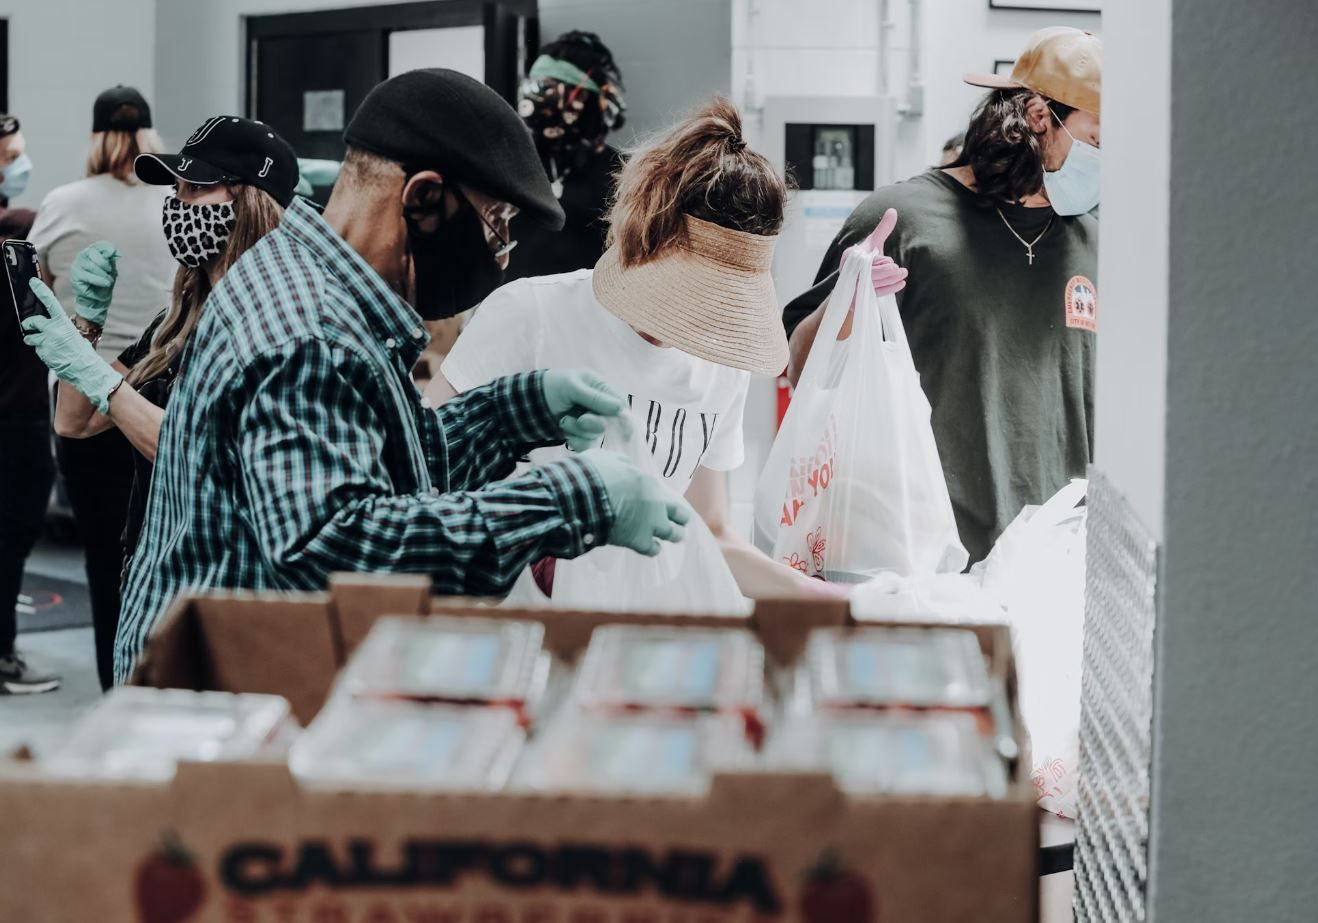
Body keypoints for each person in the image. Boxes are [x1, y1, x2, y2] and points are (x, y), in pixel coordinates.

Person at [113, 70, 689, 683]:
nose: (503, 252)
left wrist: (515, 411)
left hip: (239, 671)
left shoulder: (314, 280)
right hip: (218, 707)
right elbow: (343, 553)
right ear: (424, 200)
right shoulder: (312, 332)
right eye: (497, 223)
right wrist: (570, 500)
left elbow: (384, 469)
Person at [426, 97, 841, 601]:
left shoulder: (720, 369)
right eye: (688, 291)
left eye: (717, 301)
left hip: (636, 639)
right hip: (512, 631)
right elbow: (425, 475)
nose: (690, 320)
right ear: (644, 241)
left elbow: (709, 534)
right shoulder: (529, 316)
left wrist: (830, 600)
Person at [784, 27, 1101, 563]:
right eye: (1099, 139)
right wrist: (851, 304)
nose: (1107, 160)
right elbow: (800, 369)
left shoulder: (1095, 242)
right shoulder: (901, 220)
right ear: (1040, 117)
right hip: (919, 558)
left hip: (1055, 562)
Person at [20, 117, 299, 649]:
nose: (177, 203)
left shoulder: (273, 322)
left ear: (249, 202)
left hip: (223, 584)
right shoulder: (175, 320)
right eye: (176, 188)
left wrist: (95, 373)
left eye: (195, 188)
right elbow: (75, 422)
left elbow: (198, 457)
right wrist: (86, 325)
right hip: (156, 568)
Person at [28, 85, 174, 689]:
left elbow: (34, 288)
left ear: (94, 137)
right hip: (160, 396)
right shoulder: (174, 200)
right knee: (161, 553)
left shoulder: (62, 204)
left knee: (101, 562)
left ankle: (117, 695)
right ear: (150, 138)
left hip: (82, 391)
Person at [0, 115, 60, 694]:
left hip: (17, 405)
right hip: (15, 411)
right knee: (12, 531)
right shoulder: (19, 227)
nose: (19, 163)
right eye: (11, 154)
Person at [507, 30, 626, 282]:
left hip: (586, 313)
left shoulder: (622, 174)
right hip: (514, 311)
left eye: (549, 89)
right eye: (536, 88)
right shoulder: (509, 165)